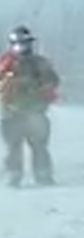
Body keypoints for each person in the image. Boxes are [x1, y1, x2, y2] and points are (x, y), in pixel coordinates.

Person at [0, 26, 60, 187]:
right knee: (13, 147)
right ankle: (14, 175)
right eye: (18, 43)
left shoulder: (40, 63)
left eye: (25, 43)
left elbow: (53, 80)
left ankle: (43, 175)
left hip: (36, 112)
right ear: (11, 44)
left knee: (39, 146)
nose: (21, 47)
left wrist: (43, 85)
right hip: (11, 112)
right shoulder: (4, 63)